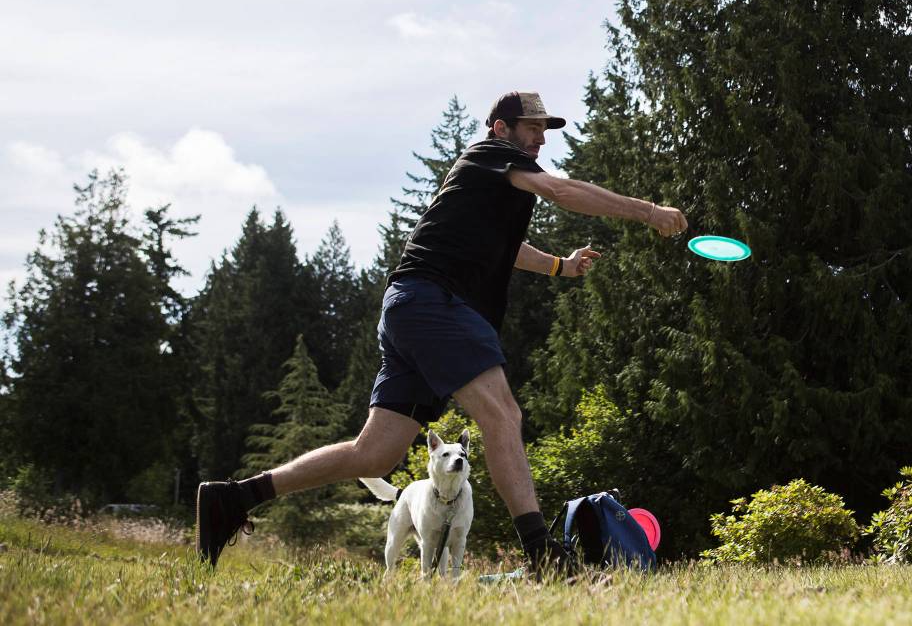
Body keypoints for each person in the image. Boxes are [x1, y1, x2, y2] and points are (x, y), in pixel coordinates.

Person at [195, 91, 687, 572]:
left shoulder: (491, 189)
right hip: (434, 302)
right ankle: (541, 553)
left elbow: (508, 249)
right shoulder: (491, 155)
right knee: (502, 415)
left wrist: (561, 266)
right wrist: (647, 211)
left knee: (376, 453)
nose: (540, 138)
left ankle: (234, 498)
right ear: (502, 129)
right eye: (533, 128)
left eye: (544, 130)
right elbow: (561, 190)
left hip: (410, 309)